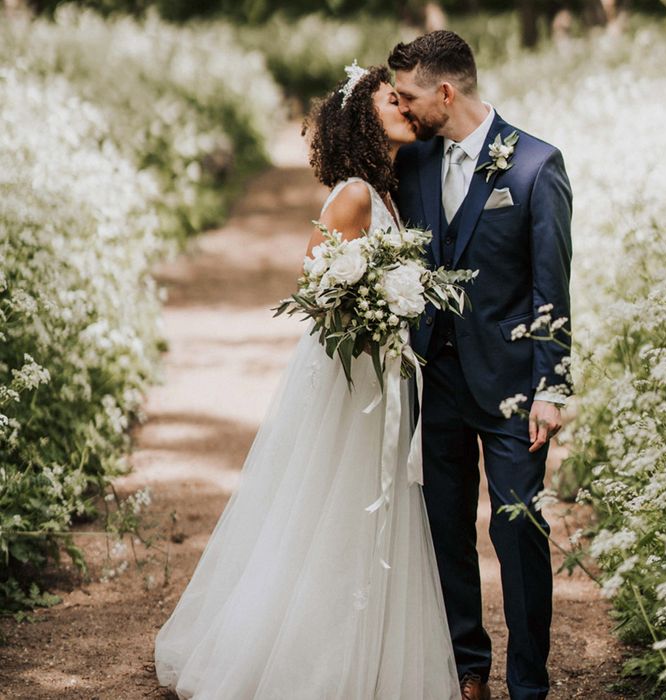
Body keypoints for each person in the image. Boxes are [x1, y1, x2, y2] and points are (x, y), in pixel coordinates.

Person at [153, 64, 461, 700]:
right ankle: (303, 663)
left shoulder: (391, 192)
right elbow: (317, 288)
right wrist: (375, 309)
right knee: (331, 511)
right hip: (352, 384)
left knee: (370, 512)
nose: (405, 107)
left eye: (406, 99)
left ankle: (366, 655)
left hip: (385, 381)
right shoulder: (353, 195)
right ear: (361, 117)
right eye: (391, 99)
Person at [389, 31, 573, 700]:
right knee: (445, 528)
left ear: (447, 91)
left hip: (514, 388)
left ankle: (528, 683)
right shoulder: (411, 164)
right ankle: (468, 668)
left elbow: (552, 288)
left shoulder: (534, 166)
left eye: (409, 97)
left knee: (517, 526)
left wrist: (551, 389)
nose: (402, 109)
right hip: (435, 380)